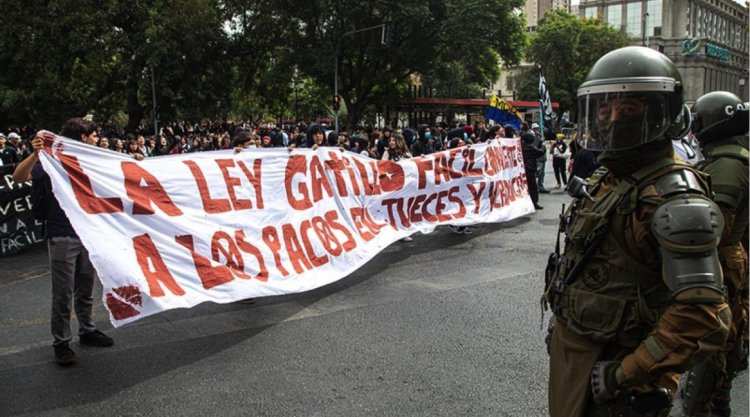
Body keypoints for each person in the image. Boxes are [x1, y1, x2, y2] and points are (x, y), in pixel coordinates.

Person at [542, 47, 731, 417]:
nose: (612, 119)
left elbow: (702, 316)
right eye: (604, 109)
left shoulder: (674, 199)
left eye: (629, 109)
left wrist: (626, 372)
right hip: (578, 359)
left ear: (662, 113)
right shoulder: (608, 179)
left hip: (619, 381)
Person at [12, 118, 114, 366]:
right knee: (62, 293)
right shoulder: (51, 162)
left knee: (86, 287)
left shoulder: (91, 160)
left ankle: (87, 330)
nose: (96, 139)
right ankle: (61, 342)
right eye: (92, 135)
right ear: (82, 137)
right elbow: (18, 177)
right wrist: (35, 154)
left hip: (87, 233)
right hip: (62, 234)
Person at [678, 91, 749, 417]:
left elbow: (714, 226)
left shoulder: (728, 163)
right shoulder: (730, 155)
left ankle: (710, 402)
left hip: (720, 258)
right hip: (727, 255)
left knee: (712, 335)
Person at [520, 126, 545, 210]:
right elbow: (541, 152)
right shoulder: (531, 148)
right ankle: (534, 202)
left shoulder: (521, 147)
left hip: (522, 169)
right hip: (530, 169)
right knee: (532, 186)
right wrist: (541, 145)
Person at [532, 123, 550, 193]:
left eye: (537, 128)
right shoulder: (533, 137)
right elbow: (535, 147)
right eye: (535, 129)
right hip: (538, 158)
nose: (536, 130)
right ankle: (535, 186)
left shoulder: (540, 136)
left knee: (542, 174)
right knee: (537, 173)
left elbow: (544, 147)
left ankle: (540, 186)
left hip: (543, 158)